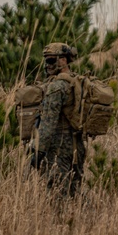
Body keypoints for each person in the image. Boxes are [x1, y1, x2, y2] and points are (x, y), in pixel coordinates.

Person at [26, 42, 87, 198]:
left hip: (59, 148)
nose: (47, 65)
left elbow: (47, 124)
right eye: (46, 60)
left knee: (57, 193)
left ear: (64, 60)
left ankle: (61, 222)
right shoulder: (77, 81)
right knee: (75, 192)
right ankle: (88, 220)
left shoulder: (56, 87)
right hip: (77, 146)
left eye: (52, 60)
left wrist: (38, 153)